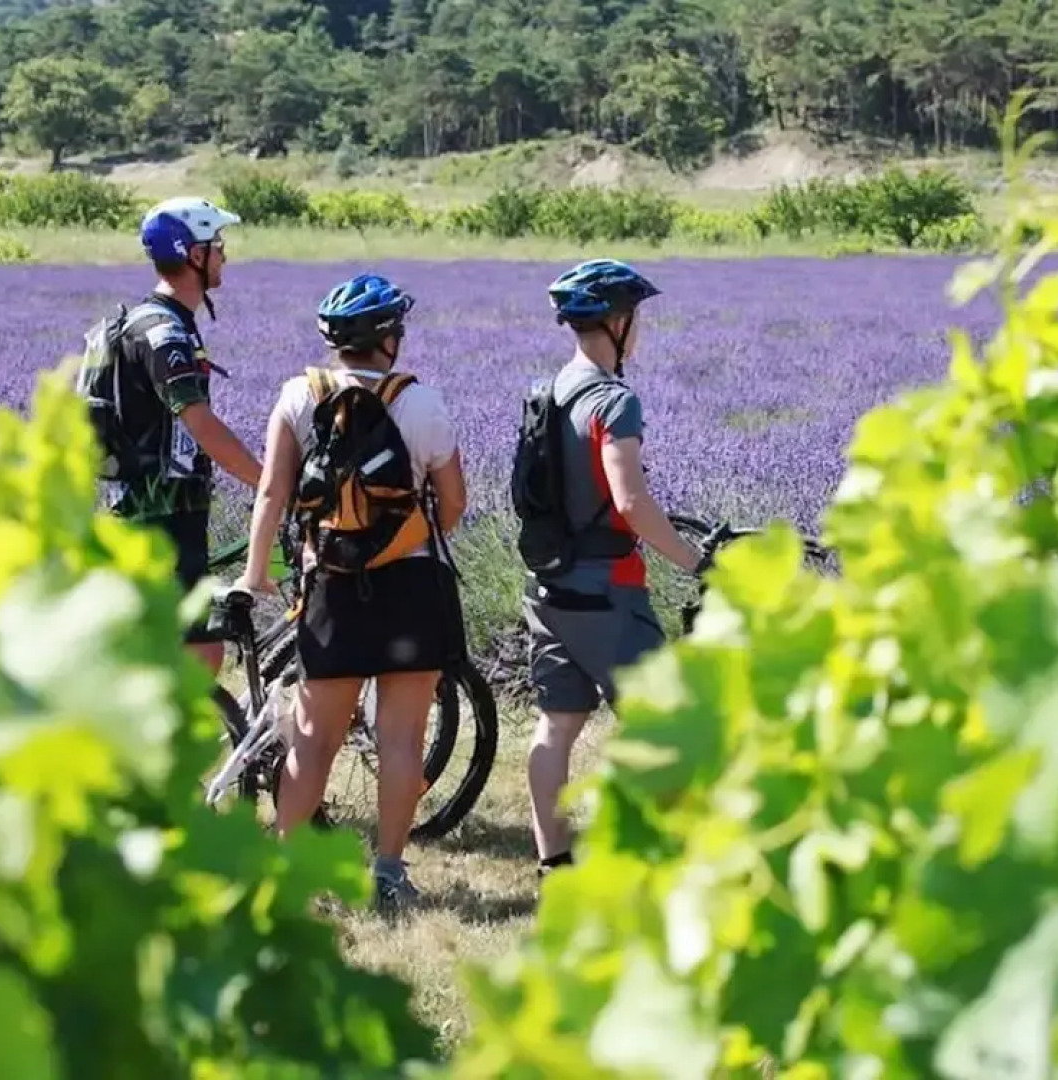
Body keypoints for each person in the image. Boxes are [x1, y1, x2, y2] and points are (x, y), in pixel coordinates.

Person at [235, 272, 468, 913]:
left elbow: (271, 494)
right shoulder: (423, 405)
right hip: (412, 587)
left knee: (313, 740)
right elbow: (453, 504)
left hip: (331, 589)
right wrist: (400, 543)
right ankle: (388, 873)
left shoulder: (296, 397)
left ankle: (285, 873)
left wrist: (258, 572)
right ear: (388, 339)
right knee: (401, 738)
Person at [518, 258, 708, 879]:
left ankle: (556, 864)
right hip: (609, 593)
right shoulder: (614, 401)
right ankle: (670, 866)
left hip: (550, 588)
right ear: (619, 323)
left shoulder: (551, 393)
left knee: (557, 725)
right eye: (637, 317)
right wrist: (693, 560)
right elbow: (628, 500)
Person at [97, 196, 263, 677]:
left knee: (199, 655)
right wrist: (270, 484)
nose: (225, 253)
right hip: (157, 519)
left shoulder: (174, 324)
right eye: (218, 244)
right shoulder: (162, 332)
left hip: (176, 514)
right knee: (190, 659)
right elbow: (201, 423)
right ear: (194, 255)